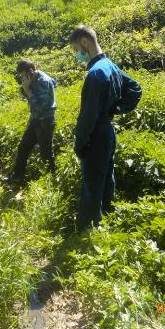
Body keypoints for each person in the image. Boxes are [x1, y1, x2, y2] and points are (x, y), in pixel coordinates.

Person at [69, 25, 142, 231]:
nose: (77, 55)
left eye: (76, 50)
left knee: (91, 185)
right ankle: (108, 219)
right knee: (107, 178)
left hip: (96, 136)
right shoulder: (110, 66)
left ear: (85, 43)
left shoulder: (95, 74)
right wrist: (114, 109)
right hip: (108, 132)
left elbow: (88, 116)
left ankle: (85, 231)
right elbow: (135, 89)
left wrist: (80, 143)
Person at [3, 60, 57, 184]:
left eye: (23, 75)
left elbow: (41, 107)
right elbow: (55, 83)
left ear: (30, 72)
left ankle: (52, 183)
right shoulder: (34, 79)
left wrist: (28, 90)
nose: (22, 79)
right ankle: (18, 177)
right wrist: (27, 88)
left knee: (46, 154)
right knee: (23, 148)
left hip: (45, 121)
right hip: (35, 119)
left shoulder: (43, 80)